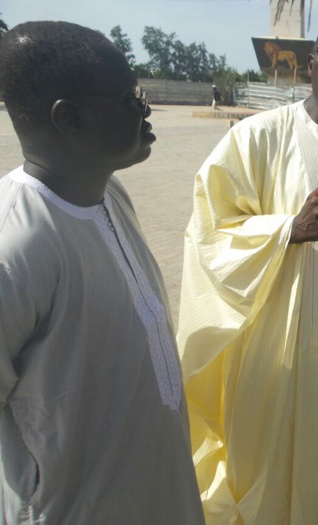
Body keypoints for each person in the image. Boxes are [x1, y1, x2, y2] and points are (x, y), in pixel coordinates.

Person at [177, 18, 318, 525]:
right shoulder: (256, 137)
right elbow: (210, 230)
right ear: (310, 62)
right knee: (265, 462)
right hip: (276, 343)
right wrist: (288, 230)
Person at [0, 21, 204, 524]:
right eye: (131, 97)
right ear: (69, 117)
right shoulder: (16, 247)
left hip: (153, 487)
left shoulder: (109, 194)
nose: (145, 110)